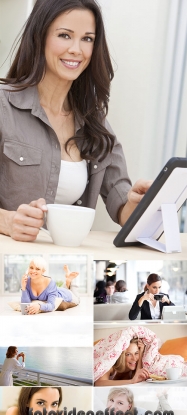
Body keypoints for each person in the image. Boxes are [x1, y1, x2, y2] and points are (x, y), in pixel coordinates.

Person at [0, 0, 152, 242]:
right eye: (64, 35)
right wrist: (6, 221)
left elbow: (122, 207)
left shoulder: (94, 120)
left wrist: (136, 203)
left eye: (87, 39)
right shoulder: (3, 106)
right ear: (39, 37)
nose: (76, 49)